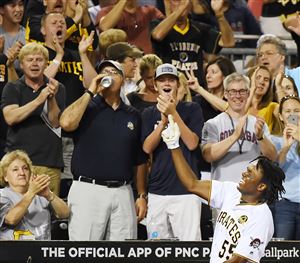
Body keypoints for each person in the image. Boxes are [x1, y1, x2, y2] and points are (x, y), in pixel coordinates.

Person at [161, 115, 285, 263]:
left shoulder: (262, 216)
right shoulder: (230, 191)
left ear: (261, 187)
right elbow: (191, 184)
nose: (244, 172)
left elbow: (237, 261)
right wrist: (173, 146)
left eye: (250, 173)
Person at [59, 60, 147, 241]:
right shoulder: (87, 107)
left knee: (124, 254)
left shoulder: (133, 114)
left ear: (122, 80)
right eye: (104, 72)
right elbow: (66, 123)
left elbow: (139, 159)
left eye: (114, 72)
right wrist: (90, 91)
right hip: (88, 190)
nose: (108, 75)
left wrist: (141, 195)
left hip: (123, 191)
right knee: (84, 252)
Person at [141, 63, 204, 240]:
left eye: (171, 80)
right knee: (156, 248)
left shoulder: (192, 109)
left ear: (177, 84)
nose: (167, 83)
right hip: (157, 191)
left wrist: (172, 113)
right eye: (162, 80)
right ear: (155, 85)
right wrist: (162, 122)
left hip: (186, 192)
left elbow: (192, 143)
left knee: (189, 248)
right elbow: (147, 148)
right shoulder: (148, 113)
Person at [1, 42, 66, 196]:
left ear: (46, 64)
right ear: (21, 65)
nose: (35, 63)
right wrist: (39, 100)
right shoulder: (13, 87)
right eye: (29, 60)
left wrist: (51, 98)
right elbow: (10, 117)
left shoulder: (58, 87)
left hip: (48, 162)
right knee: (16, 211)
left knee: (48, 213)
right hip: (17, 165)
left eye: (39, 59)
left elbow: (55, 122)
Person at [151, 0, 235, 85]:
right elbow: (157, 36)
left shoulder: (199, 29)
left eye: (183, 1)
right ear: (168, 4)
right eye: (177, 1)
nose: (182, 4)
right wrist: (180, 8)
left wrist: (219, 14)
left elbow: (229, 42)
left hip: (195, 90)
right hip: (169, 87)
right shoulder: (158, 25)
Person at [0, 150, 69, 240]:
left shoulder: (42, 196)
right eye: (15, 169)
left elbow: (65, 214)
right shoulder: (3, 195)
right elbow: (11, 220)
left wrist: (49, 195)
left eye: (25, 168)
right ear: (5, 177)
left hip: (41, 250)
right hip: (14, 251)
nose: (22, 173)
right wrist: (31, 193)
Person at [271, 95, 300, 240]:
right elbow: (275, 171)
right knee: (283, 253)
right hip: (285, 206)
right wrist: (285, 147)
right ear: (281, 116)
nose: (292, 114)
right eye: (288, 111)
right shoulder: (275, 140)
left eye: (297, 110)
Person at [97, 0, 164, 54]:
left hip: (148, 63)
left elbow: (171, 30)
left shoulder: (150, 10)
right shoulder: (106, 11)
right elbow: (104, 27)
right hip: (121, 63)